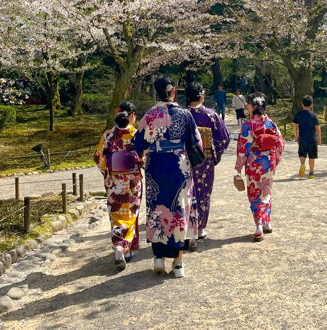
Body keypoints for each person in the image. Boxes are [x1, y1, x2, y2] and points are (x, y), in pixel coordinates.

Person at [132, 75, 202, 278]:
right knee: (179, 208)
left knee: (156, 209)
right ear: (173, 91)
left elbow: (138, 144)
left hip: (155, 165)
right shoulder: (185, 114)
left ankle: (158, 258)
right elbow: (196, 143)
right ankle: (178, 262)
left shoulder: (149, 115)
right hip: (178, 166)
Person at [94, 100, 142, 271]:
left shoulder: (108, 135)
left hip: (114, 181)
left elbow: (98, 157)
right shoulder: (136, 135)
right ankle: (123, 248)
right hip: (132, 181)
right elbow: (143, 159)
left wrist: (109, 175)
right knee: (130, 215)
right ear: (131, 116)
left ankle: (119, 248)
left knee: (116, 215)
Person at [234, 92, 285, 241]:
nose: (246, 106)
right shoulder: (271, 123)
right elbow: (280, 143)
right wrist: (275, 159)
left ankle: (258, 226)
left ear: (255, 106)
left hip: (254, 162)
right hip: (268, 161)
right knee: (266, 191)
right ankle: (267, 223)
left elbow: (243, 147)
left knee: (254, 193)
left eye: (248, 104)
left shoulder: (249, 124)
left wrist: (239, 166)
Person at [186, 82, 230, 246]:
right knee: (203, 192)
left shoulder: (182, 115)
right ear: (202, 97)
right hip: (205, 160)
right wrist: (214, 155)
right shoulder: (211, 115)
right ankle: (201, 227)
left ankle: (188, 226)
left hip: (185, 160)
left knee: (187, 192)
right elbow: (223, 138)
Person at [293, 96, 322, 179]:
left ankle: (302, 165)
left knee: (302, 153)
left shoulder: (299, 114)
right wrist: (319, 138)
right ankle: (311, 172)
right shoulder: (313, 115)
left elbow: (294, 125)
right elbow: (318, 128)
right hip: (312, 139)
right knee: (312, 156)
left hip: (302, 138)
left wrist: (296, 135)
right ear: (311, 105)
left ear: (302, 104)